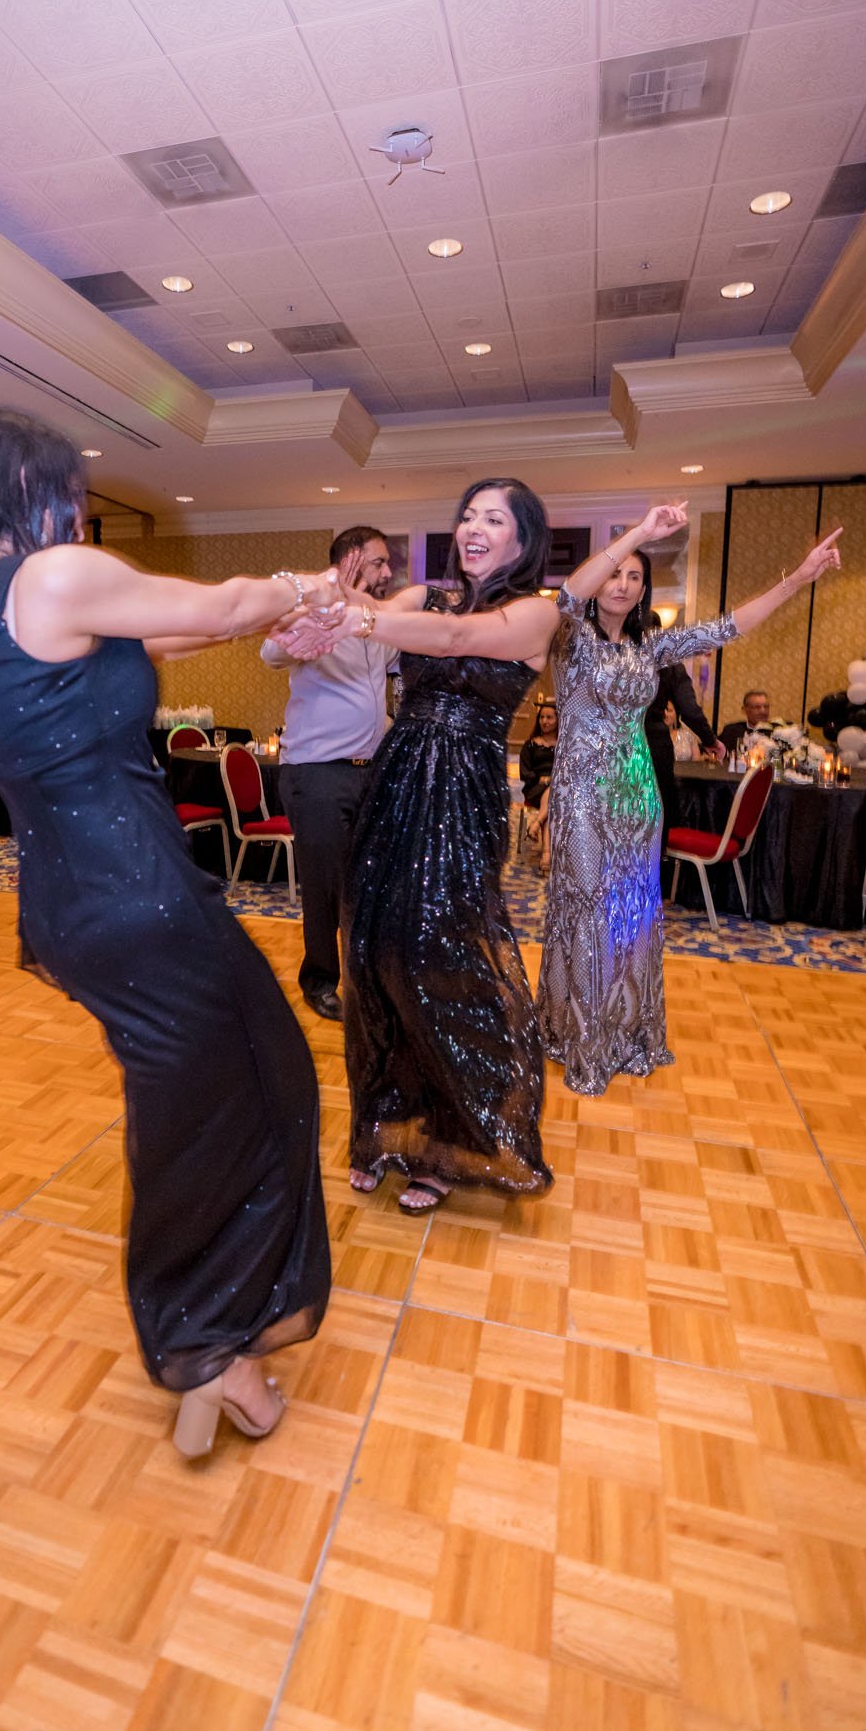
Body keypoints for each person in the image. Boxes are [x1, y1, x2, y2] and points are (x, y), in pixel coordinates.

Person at [0, 406, 338, 1457]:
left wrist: (266, 637)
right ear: (31, 490)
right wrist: (302, 586)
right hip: (140, 897)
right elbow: (215, 597)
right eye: (70, 493)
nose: (78, 511)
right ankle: (205, 1341)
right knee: (271, 1088)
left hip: (73, 903)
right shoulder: (49, 574)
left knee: (189, 1105)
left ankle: (207, 1342)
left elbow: (171, 630)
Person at [280, 479, 560, 1217]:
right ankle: (386, 1127)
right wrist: (323, 608)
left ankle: (451, 1139)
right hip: (398, 778)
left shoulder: (534, 612)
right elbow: (372, 609)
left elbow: (460, 641)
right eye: (468, 514)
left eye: (492, 519)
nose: (473, 527)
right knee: (377, 952)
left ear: (523, 540)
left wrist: (360, 624)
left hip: (462, 796)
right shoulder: (425, 597)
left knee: (446, 961)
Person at [537, 505, 841, 1097]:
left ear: (645, 589)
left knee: (634, 913)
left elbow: (729, 626)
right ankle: (578, 1036)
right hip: (579, 797)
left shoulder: (651, 648)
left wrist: (799, 579)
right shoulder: (568, 635)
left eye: (635, 577)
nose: (623, 584)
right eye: (615, 573)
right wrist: (641, 534)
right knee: (586, 910)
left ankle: (628, 1033)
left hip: (638, 795)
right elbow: (565, 598)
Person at [260, 525, 397, 1020]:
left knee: (368, 880)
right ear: (348, 563)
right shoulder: (315, 612)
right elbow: (272, 653)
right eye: (379, 562)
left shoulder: (382, 622)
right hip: (316, 773)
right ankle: (320, 980)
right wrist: (318, 615)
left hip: (370, 772)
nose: (388, 572)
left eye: (388, 563)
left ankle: (368, 978)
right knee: (327, 884)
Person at [640, 598, 725, 848]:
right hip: (654, 742)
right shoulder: (670, 665)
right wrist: (710, 741)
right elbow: (689, 710)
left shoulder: (619, 658)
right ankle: (660, 877)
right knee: (657, 814)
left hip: (619, 742)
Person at [517, 697, 559, 868]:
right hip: (535, 789)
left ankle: (536, 823)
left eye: (549, 718)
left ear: (558, 720)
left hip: (558, 789)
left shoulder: (564, 745)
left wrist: (554, 779)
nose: (545, 721)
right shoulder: (531, 745)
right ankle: (547, 855)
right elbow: (524, 772)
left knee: (553, 793)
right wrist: (539, 778)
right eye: (542, 717)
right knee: (550, 795)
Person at [721, 689, 771, 760]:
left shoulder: (777, 734)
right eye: (757, 707)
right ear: (744, 710)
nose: (763, 711)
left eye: (766, 707)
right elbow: (713, 749)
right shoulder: (731, 731)